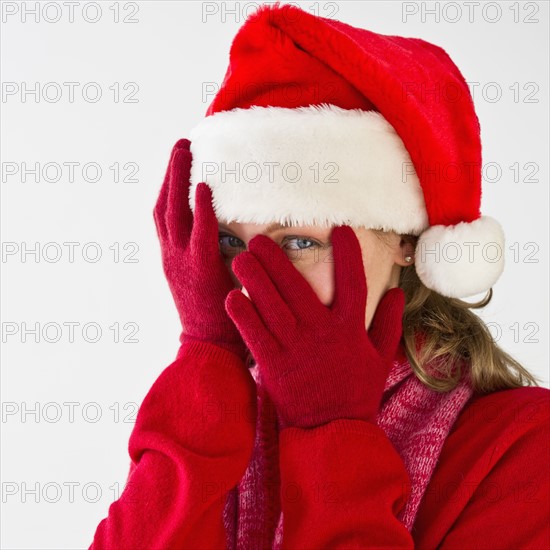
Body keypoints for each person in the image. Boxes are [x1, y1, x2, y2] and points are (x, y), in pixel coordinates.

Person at [89, 3, 549, 549]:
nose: (253, 279)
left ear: (404, 240)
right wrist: (206, 358)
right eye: (229, 242)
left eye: (300, 241)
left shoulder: (522, 446)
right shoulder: (220, 417)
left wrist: (333, 431)